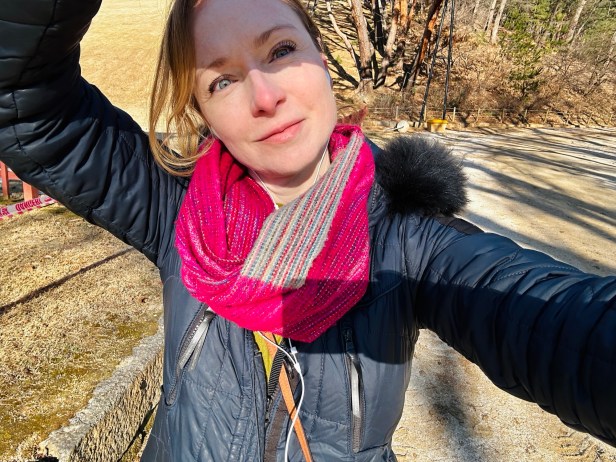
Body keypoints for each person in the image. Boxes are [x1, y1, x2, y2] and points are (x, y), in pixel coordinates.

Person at [0, 0, 614, 460]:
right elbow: (22, 100)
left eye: (280, 51)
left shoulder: (409, 238)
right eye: (221, 80)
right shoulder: (175, 211)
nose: (264, 96)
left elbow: (557, 324)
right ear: (202, 112)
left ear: (321, 59)